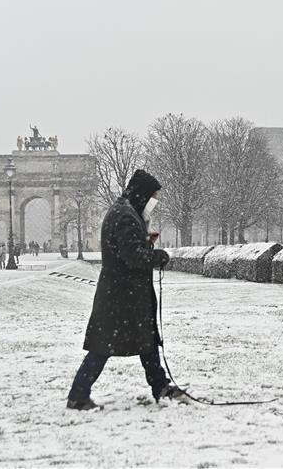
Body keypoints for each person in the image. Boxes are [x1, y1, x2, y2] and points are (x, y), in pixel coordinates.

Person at [67, 169, 178, 410]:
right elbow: (132, 256)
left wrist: (145, 243)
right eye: (153, 197)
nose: (154, 202)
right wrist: (157, 255)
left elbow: (126, 249)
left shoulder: (123, 211)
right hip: (122, 296)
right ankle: (77, 396)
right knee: (102, 348)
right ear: (143, 194)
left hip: (122, 294)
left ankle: (160, 387)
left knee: (144, 342)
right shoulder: (126, 216)